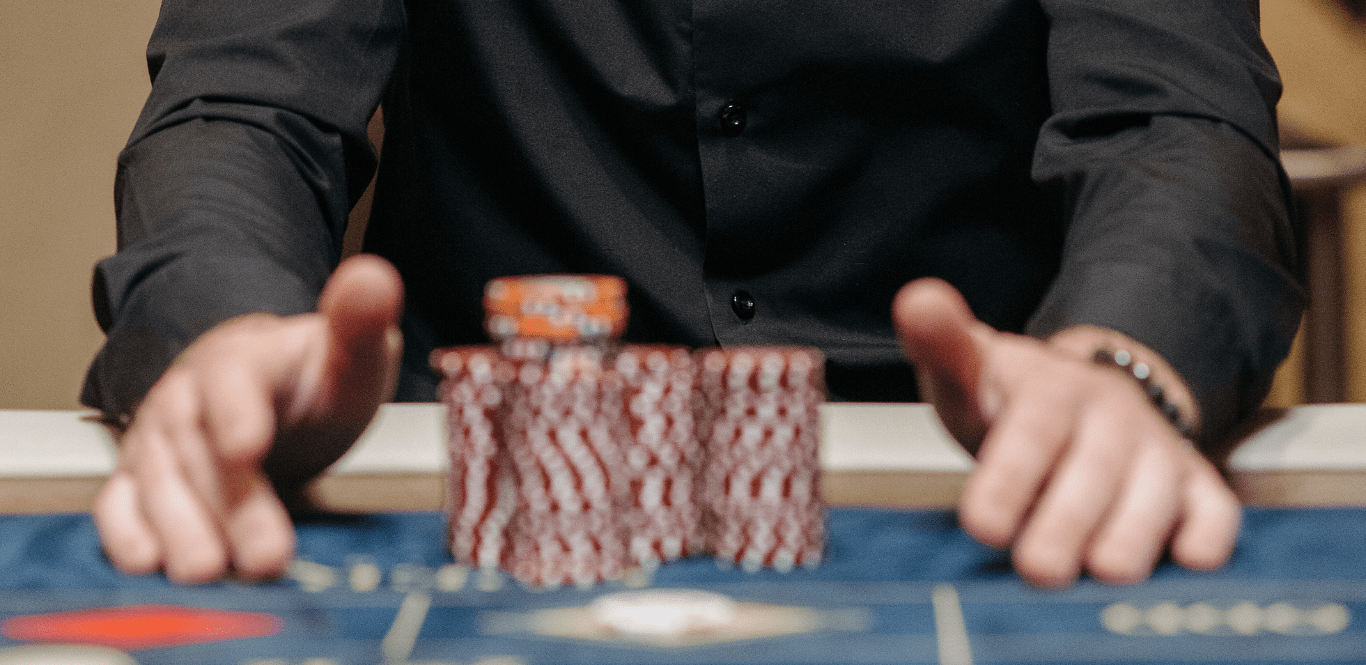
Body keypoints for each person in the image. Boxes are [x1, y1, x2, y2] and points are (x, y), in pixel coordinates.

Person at [83, 0, 1303, 588]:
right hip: (460, 497)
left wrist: (1122, 359)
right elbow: (242, 107)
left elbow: (1175, 120)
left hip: (990, 487)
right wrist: (226, 325)